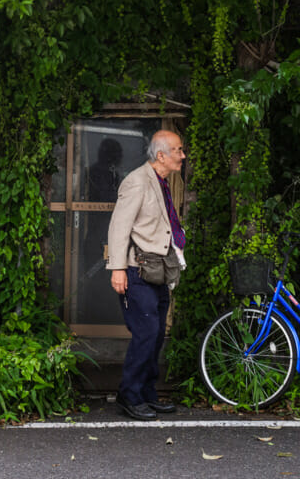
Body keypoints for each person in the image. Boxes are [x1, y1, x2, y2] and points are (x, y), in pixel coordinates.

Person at [105, 129, 187, 420]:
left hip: (156, 271)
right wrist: (117, 269)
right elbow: (119, 227)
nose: (183, 155)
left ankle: (147, 394)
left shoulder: (160, 182)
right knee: (146, 332)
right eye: (178, 150)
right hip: (135, 271)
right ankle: (129, 396)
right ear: (161, 155)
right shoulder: (138, 182)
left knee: (154, 336)